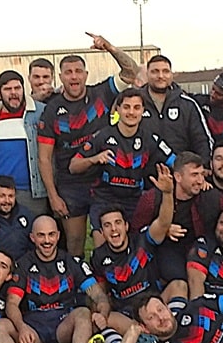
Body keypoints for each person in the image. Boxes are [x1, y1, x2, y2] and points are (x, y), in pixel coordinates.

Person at [37, 34, 141, 256]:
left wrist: (109, 47)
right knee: (75, 243)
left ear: (86, 74)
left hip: (104, 181)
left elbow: (132, 72)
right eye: (68, 72)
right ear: (61, 77)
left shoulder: (102, 93)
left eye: (78, 71)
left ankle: (109, 275)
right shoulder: (52, 109)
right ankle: (77, 278)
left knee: (107, 240)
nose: (74, 76)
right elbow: (44, 158)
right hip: (70, 184)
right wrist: (53, 196)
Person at [6, 216, 111, 343]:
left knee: (83, 312)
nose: (47, 240)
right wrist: (21, 327)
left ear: (58, 236)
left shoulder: (72, 262)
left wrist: (102, 314)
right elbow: (12, 303)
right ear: (32, 238)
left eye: (51, 234)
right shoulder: (22, 265)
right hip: (34, 328)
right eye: (41, 235)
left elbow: (99, 295)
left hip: (63, 325)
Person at [72, 87, 174, 243]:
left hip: (134, 200)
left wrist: (199, 173)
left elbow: (177, 162)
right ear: (118, 109)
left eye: (136, 107)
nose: (131, 112)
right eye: (126, 107)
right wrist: (94, 159)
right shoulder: (103, 136)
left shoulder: (150, 138)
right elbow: (73, 166)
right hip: (104, 199)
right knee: (102, 245)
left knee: (136, 246)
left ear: (143, 111)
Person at [90, 165, 181, 328]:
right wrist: (101, 312)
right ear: (102, 232)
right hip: (127, 314)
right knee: (106, 318)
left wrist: (168, 194)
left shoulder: (143, 239)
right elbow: (101, 294)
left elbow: (163, 222)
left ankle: (173, 328)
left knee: (179, 286)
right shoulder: (98, 257)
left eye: (118, 223)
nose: (114, 229)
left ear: (126, 226)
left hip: (155, 303)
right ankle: (146, 334)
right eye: (107, 225)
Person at [130, 151, 223, 284]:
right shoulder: (152, 198)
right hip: (166, 253)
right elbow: (136, 233)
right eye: (194, 175)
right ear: (178, 177)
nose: (200, 181)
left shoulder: (210, 196)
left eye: (202, 174)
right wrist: (161, 229)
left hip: (202, 251)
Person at [0, 69, 47, 216]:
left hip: (32, 192)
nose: (13, 93)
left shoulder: (40, 112)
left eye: (17, 88)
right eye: (7, 89)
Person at [139, 54, 212, 156]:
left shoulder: (187, 104)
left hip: (181, 165)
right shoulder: (135, 104)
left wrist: (202, 163)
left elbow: (202, 141)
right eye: (155, 71)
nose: (160, 76)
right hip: (144, 165)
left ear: (171, 75)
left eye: (165, 71)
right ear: (147, 74)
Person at [0, 175, 36, 261]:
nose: (7, 201)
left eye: (11, 196)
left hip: (22, 266)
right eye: (2, 196)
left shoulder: (26, 215)